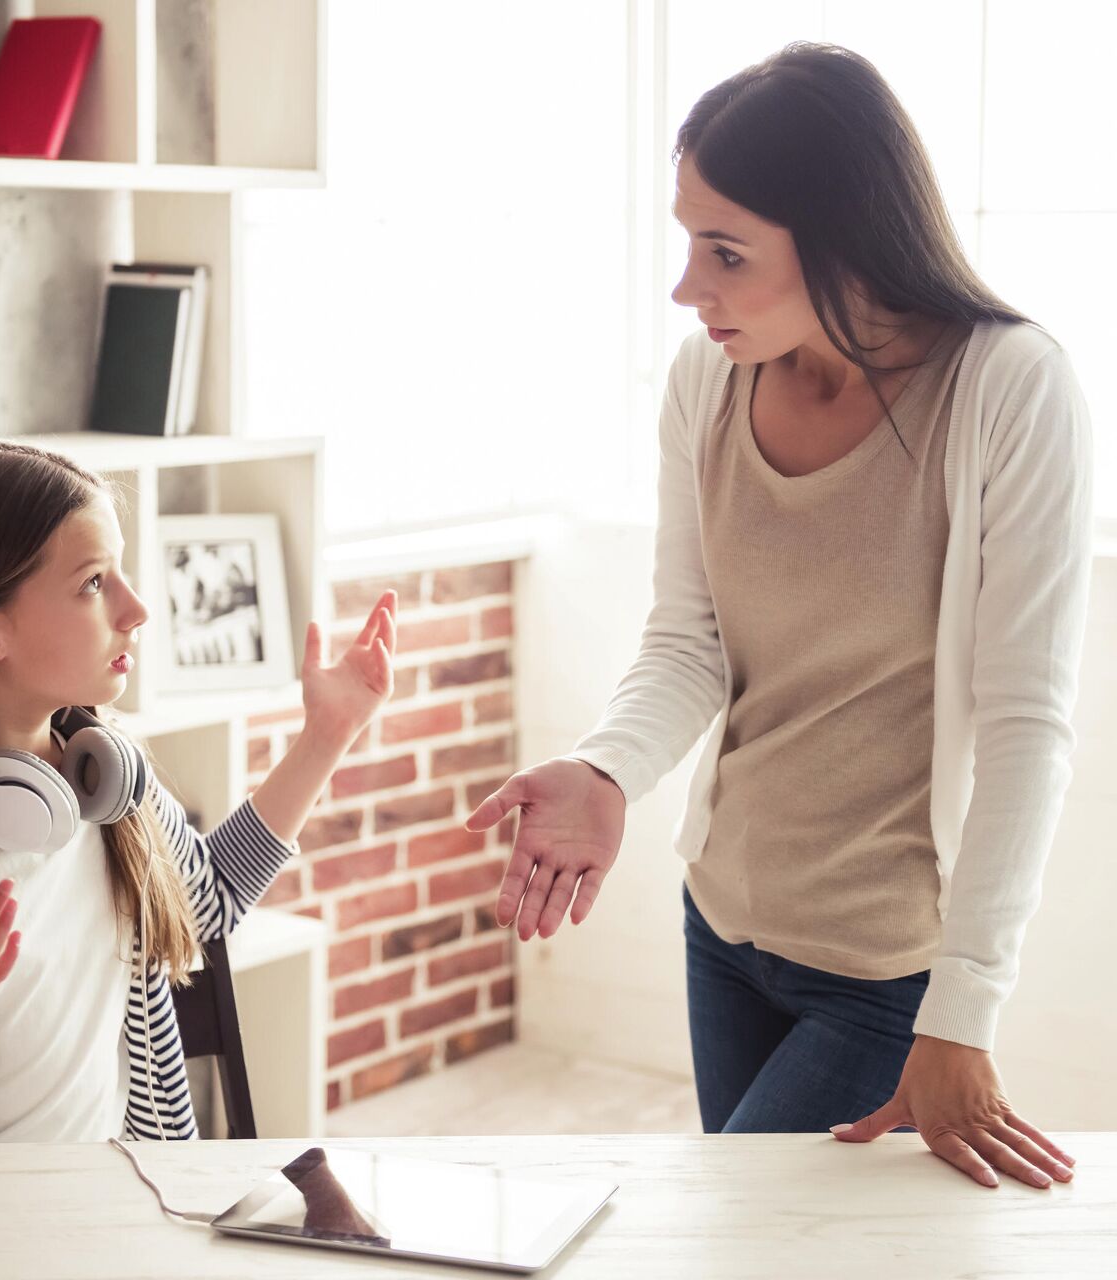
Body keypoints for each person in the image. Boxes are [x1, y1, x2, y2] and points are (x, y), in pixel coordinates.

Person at [466, 42, 1092, 1192]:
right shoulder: (705, 382)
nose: (685, 287)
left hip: (885, 970)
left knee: (741, 1242)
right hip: (726, 927)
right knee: (767, 1241)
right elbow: (688, 640)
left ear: (844, 233)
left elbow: (1024, 723)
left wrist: (962, 1009)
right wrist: (607, 770)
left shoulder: (1007, 389)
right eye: (685, 240)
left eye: (724, 251)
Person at [0, 433, 398, 1144]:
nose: (137, 608)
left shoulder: (104, 779)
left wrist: (327, 736)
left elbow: (209, 900)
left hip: (122, 1219)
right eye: (94, 583)